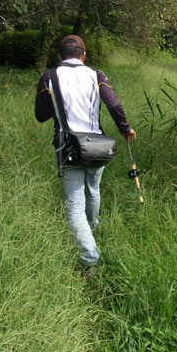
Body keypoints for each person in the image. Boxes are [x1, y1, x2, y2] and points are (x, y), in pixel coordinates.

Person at [35, 35, 136, 268]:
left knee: (74, 203)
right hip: (97, 146)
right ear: (84, 55)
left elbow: (41, 115)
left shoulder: (48, 77)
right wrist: (125, 128)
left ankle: (89, 256)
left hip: (67, 146)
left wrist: (59, 100)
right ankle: (92, 230)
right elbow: (113, 104)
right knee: (93, 189)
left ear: (60, 56)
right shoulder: (96, 75)